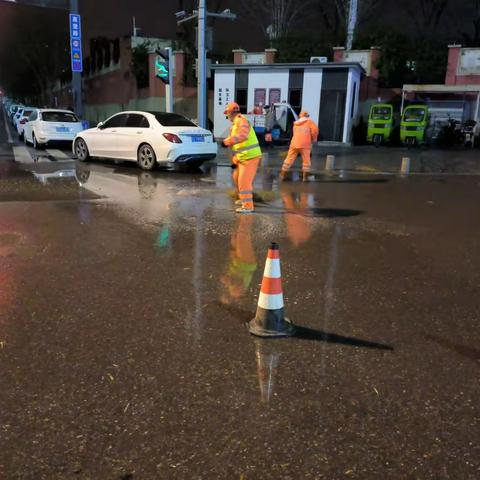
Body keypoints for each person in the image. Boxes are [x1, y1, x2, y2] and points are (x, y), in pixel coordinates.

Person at [222, 102, 262, 214]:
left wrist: (227, 141)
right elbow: (237, 145)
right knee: (236, 177)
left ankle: (248, 206)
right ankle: (243, 199)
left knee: (244, 182)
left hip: (250, 157)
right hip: (243, 157)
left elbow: (242, 136)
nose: (227, 117)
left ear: (231, 113)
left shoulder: (242, 121)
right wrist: (235, 159)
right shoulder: (235, 125)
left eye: (227, 114)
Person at [279, 111, 319, 182]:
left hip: (294, 143)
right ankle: (304, 178)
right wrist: (313, 139)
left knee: (288, 159)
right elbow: (315, 131)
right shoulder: (310, 122)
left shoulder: (296, 123)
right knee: (306, 161)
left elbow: (294, 133)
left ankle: (282, 175)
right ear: (307, 116)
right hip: (305, 144)